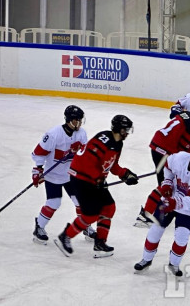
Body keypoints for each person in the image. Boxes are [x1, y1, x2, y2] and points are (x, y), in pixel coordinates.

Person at [54, 115, 139, 259]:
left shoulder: (118, 144)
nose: (127, 133)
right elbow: (87, 161)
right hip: (81, 179)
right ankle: (65, 236)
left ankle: (100, 243)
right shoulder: (103, 139)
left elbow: (112, 165)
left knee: (109, 207)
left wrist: (125, 174)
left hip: (95, 180)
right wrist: (98, 178)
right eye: (126, 130)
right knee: (90, 215)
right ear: (119, 129)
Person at [133, 135, 190, 277]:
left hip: (187, 208)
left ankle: (174, 264)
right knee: (155, 230)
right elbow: (167, 166)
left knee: (182, 237)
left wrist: (175, 203)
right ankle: (146, 259)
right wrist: (167, 183)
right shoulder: (180, 158)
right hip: (170, 199)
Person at [134, 97, 190, 227]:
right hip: (163, 151)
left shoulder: (187, 115)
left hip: (159, 146)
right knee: (164, 184)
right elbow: (184, 152)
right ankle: (146, 215)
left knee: (170, 182)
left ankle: (175, 206)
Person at [31, 105, 96, 244]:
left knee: (81, 201)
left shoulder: (81, 134)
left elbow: (84, 155)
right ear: (68, 120)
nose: (78, 123)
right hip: (53, 176)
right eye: (75, 121)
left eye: (80, 120)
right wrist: (37, 170)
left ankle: (86, 227)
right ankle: (39, 227)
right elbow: (38, 153)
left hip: (71, 174)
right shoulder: (54, 134)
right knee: (54, 202)